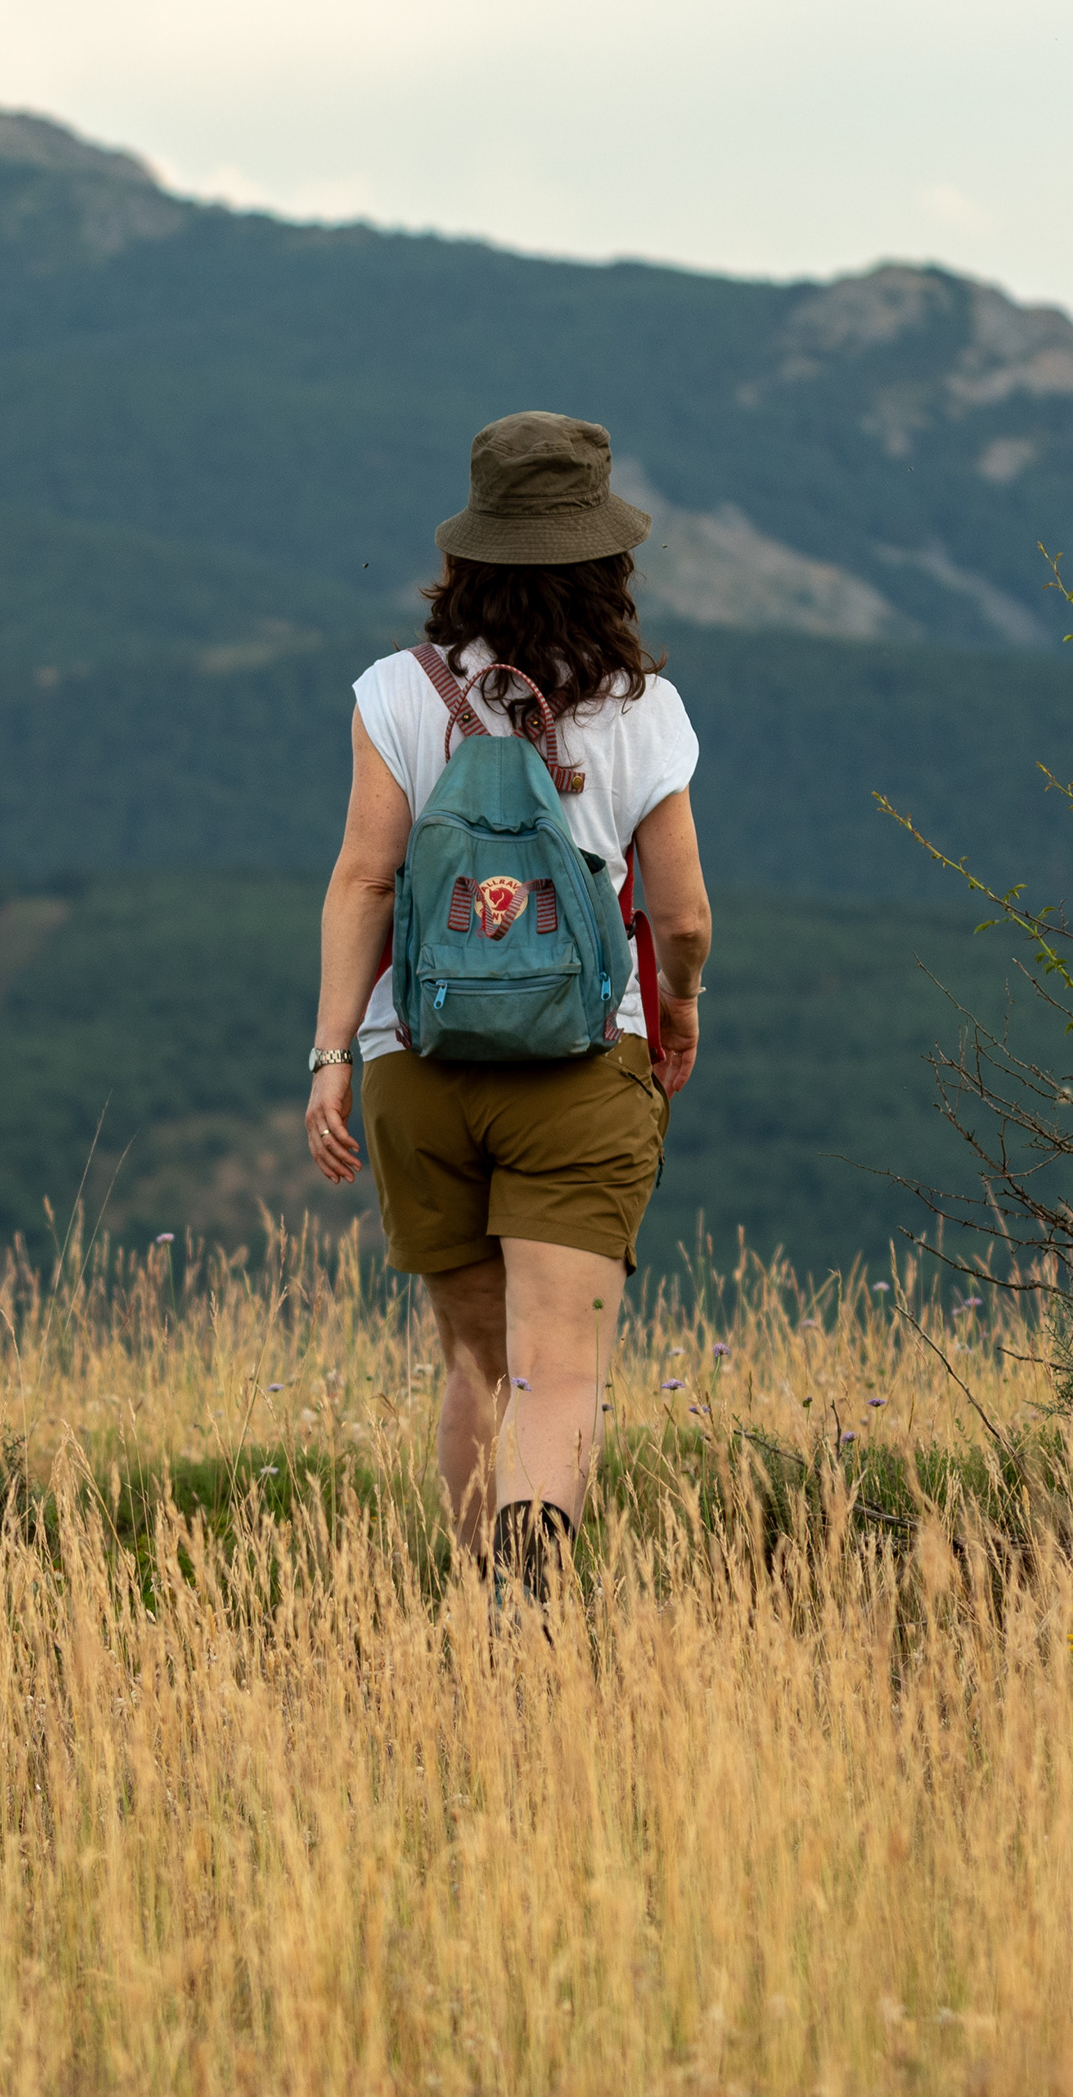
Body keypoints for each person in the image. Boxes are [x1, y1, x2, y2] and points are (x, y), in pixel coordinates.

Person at [304, 410, 712, 1606]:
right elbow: (681, 916)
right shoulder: (644, 711)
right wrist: (677, 1007)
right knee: (560, 1366)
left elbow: (364, 880)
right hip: (584, 1067)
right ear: (607, 559)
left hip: (419, 1065)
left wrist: (333, 1052)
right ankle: (527, 1601)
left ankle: (479, 1593)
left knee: (476, 1360)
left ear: (470, 550)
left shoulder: (397, 693)